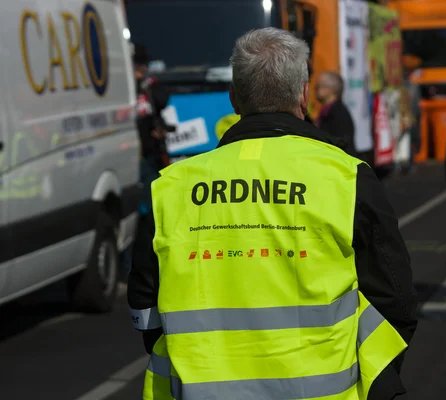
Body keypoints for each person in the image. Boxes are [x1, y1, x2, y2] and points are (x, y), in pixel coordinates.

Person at [128, 28, 419, 399]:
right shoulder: (346, 177)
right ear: (303, 94)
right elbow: (396, 300)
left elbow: (144, 310)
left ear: (233, 98)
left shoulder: (170, 187)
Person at [130, 44, 171, 276]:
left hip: (149, 156)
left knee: (152, 208)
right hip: (131, 156)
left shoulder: (150, 87)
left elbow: (163, 99)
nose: (141, 68)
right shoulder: (128, 88)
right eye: (138, 64)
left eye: (143, 65)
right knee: (137, 212)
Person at [314, 71, 357, 157]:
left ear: (333, 89)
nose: (315, 88)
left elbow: (343, 145)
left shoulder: (339, 114)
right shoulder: (326, 112)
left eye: (321, 85)